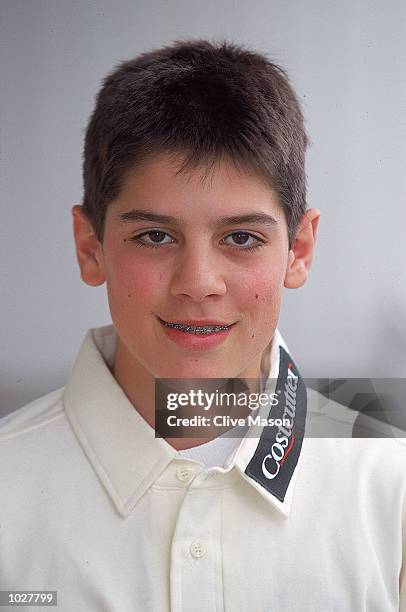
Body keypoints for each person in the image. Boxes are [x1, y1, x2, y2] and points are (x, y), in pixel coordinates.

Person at [0, 39, 405, 611]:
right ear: (90, 247)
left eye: (241, 238)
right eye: (155, 236)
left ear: (299, 250)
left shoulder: (392, 489)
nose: (198, 282)